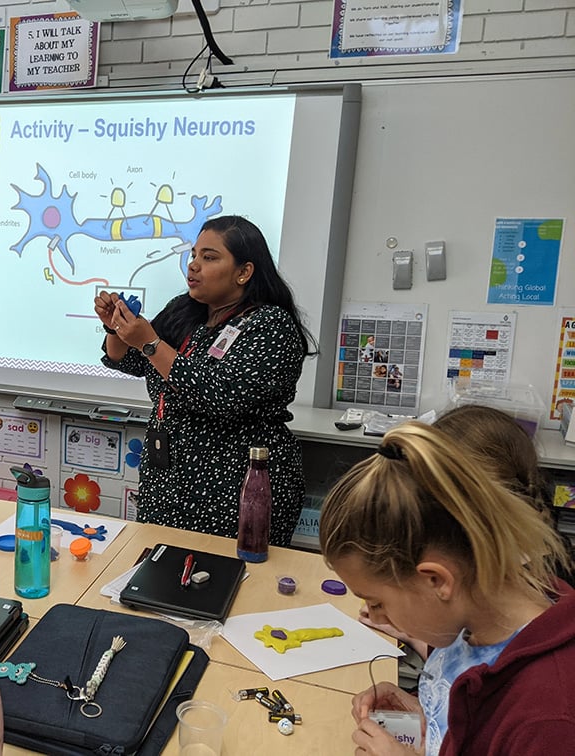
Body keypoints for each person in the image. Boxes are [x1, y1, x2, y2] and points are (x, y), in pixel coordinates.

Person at [320, 421, 574, 755]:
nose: (375, 614)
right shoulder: (475, 621)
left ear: (437, 581)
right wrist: (427, 714)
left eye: (378, 601)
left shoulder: (549, 720)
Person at [94, 215, 317, 545]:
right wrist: (116, 326)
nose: (194, 265)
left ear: (244, 272)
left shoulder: (270, 325)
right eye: (194, 254)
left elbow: (219, 395)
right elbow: (129, 360)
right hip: (168, 481)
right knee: (157, 575)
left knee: (225, 586)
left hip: (234, 486)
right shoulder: (185, 310)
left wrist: (150, 342)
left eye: (209, 257)